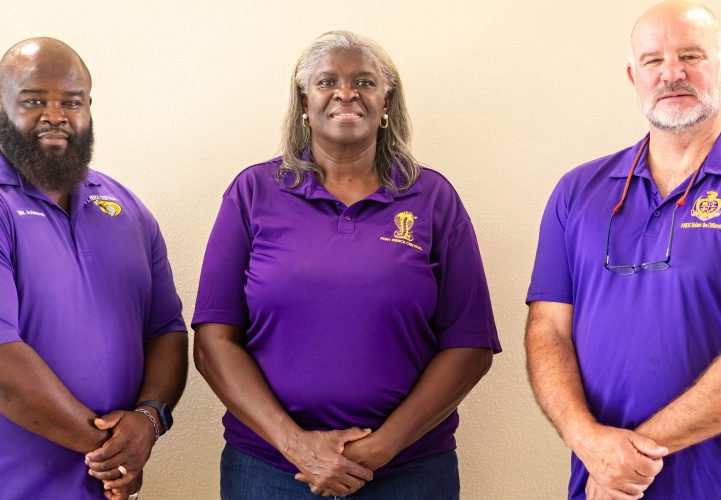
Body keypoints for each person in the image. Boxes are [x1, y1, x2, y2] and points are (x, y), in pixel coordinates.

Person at [193, 30, 499, 499]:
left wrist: (380, 448)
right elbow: (214, 340)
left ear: (387, 102)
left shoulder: (433, 198)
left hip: (410, 471)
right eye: (327, 81)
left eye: (364, 82)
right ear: (304, 101)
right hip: (270, 469)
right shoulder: (252, 193)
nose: (346, 93)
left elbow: (469, 344)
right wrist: (297, 446)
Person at [526, 1, 721, 499]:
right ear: (634, 76)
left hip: (716, 486)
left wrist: (627, 460)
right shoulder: (577, 192)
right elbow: (548, 331)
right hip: (596, 482)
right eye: (653, 60)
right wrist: (588, 443)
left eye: (690, 56)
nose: (671, 73)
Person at [0, 38, 188, 500]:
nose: (56, 116)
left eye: (72, 101)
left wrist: (148, 419)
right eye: (34, 100)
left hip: (99, 488)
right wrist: (115, 453)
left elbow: (166, 330)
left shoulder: (125, 207)